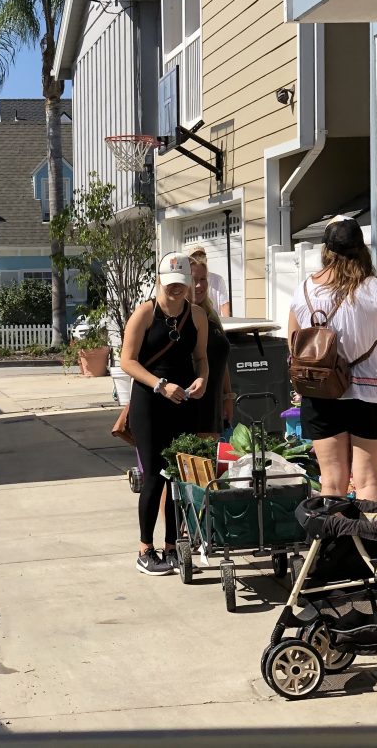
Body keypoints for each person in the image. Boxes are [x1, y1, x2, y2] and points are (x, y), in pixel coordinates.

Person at [287, 217, 377, 502]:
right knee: (369, 481)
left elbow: (294, 344)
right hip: (374, 392)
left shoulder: (304, 289)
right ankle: (368, 544)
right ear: (361, 249)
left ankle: (335, 544)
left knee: (331, 482)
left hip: (321, 392)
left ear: (326, 250)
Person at [119, 252, 209, 575]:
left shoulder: (197, 317)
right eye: (170, 284)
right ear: (159, 281)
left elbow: (201, 359)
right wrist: (159, 385)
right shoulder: (144, 315)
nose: (176, 291)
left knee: (181, 475)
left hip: (183, 401)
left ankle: (173, 546)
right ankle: (146, 549)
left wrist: (202, 380)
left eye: (181, 285)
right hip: (150, 401)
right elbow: (126, 361)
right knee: (155, 474)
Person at [189, 253, 234, 437]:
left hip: (213, 402)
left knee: (210, 462)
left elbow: (221, 359)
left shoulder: (211, 315)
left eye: (203, 279)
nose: (199, 285)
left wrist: (228, 396)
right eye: (194, 280)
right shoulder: (180, 317)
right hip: (192, 403)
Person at [191, 244, 231, 317]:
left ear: (206, 260)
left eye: (201, 256)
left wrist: (227, 323)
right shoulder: (185, 280)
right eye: (194, 257)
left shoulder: (218, 279)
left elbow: (224, 304)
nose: (198, 259)